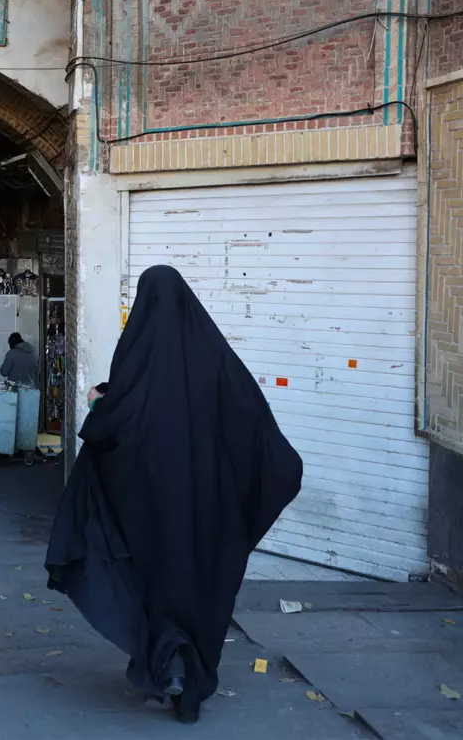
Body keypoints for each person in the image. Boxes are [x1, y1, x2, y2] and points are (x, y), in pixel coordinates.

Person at [44, 265, 303, 724]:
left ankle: (167, 666)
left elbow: (113, 425)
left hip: (146, 505)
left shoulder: (137, 361)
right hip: (204, 507)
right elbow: (250, 421)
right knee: (195, 581)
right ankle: (189, 679)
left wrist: (99, 400)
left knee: (152, 582)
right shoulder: (214, 360)